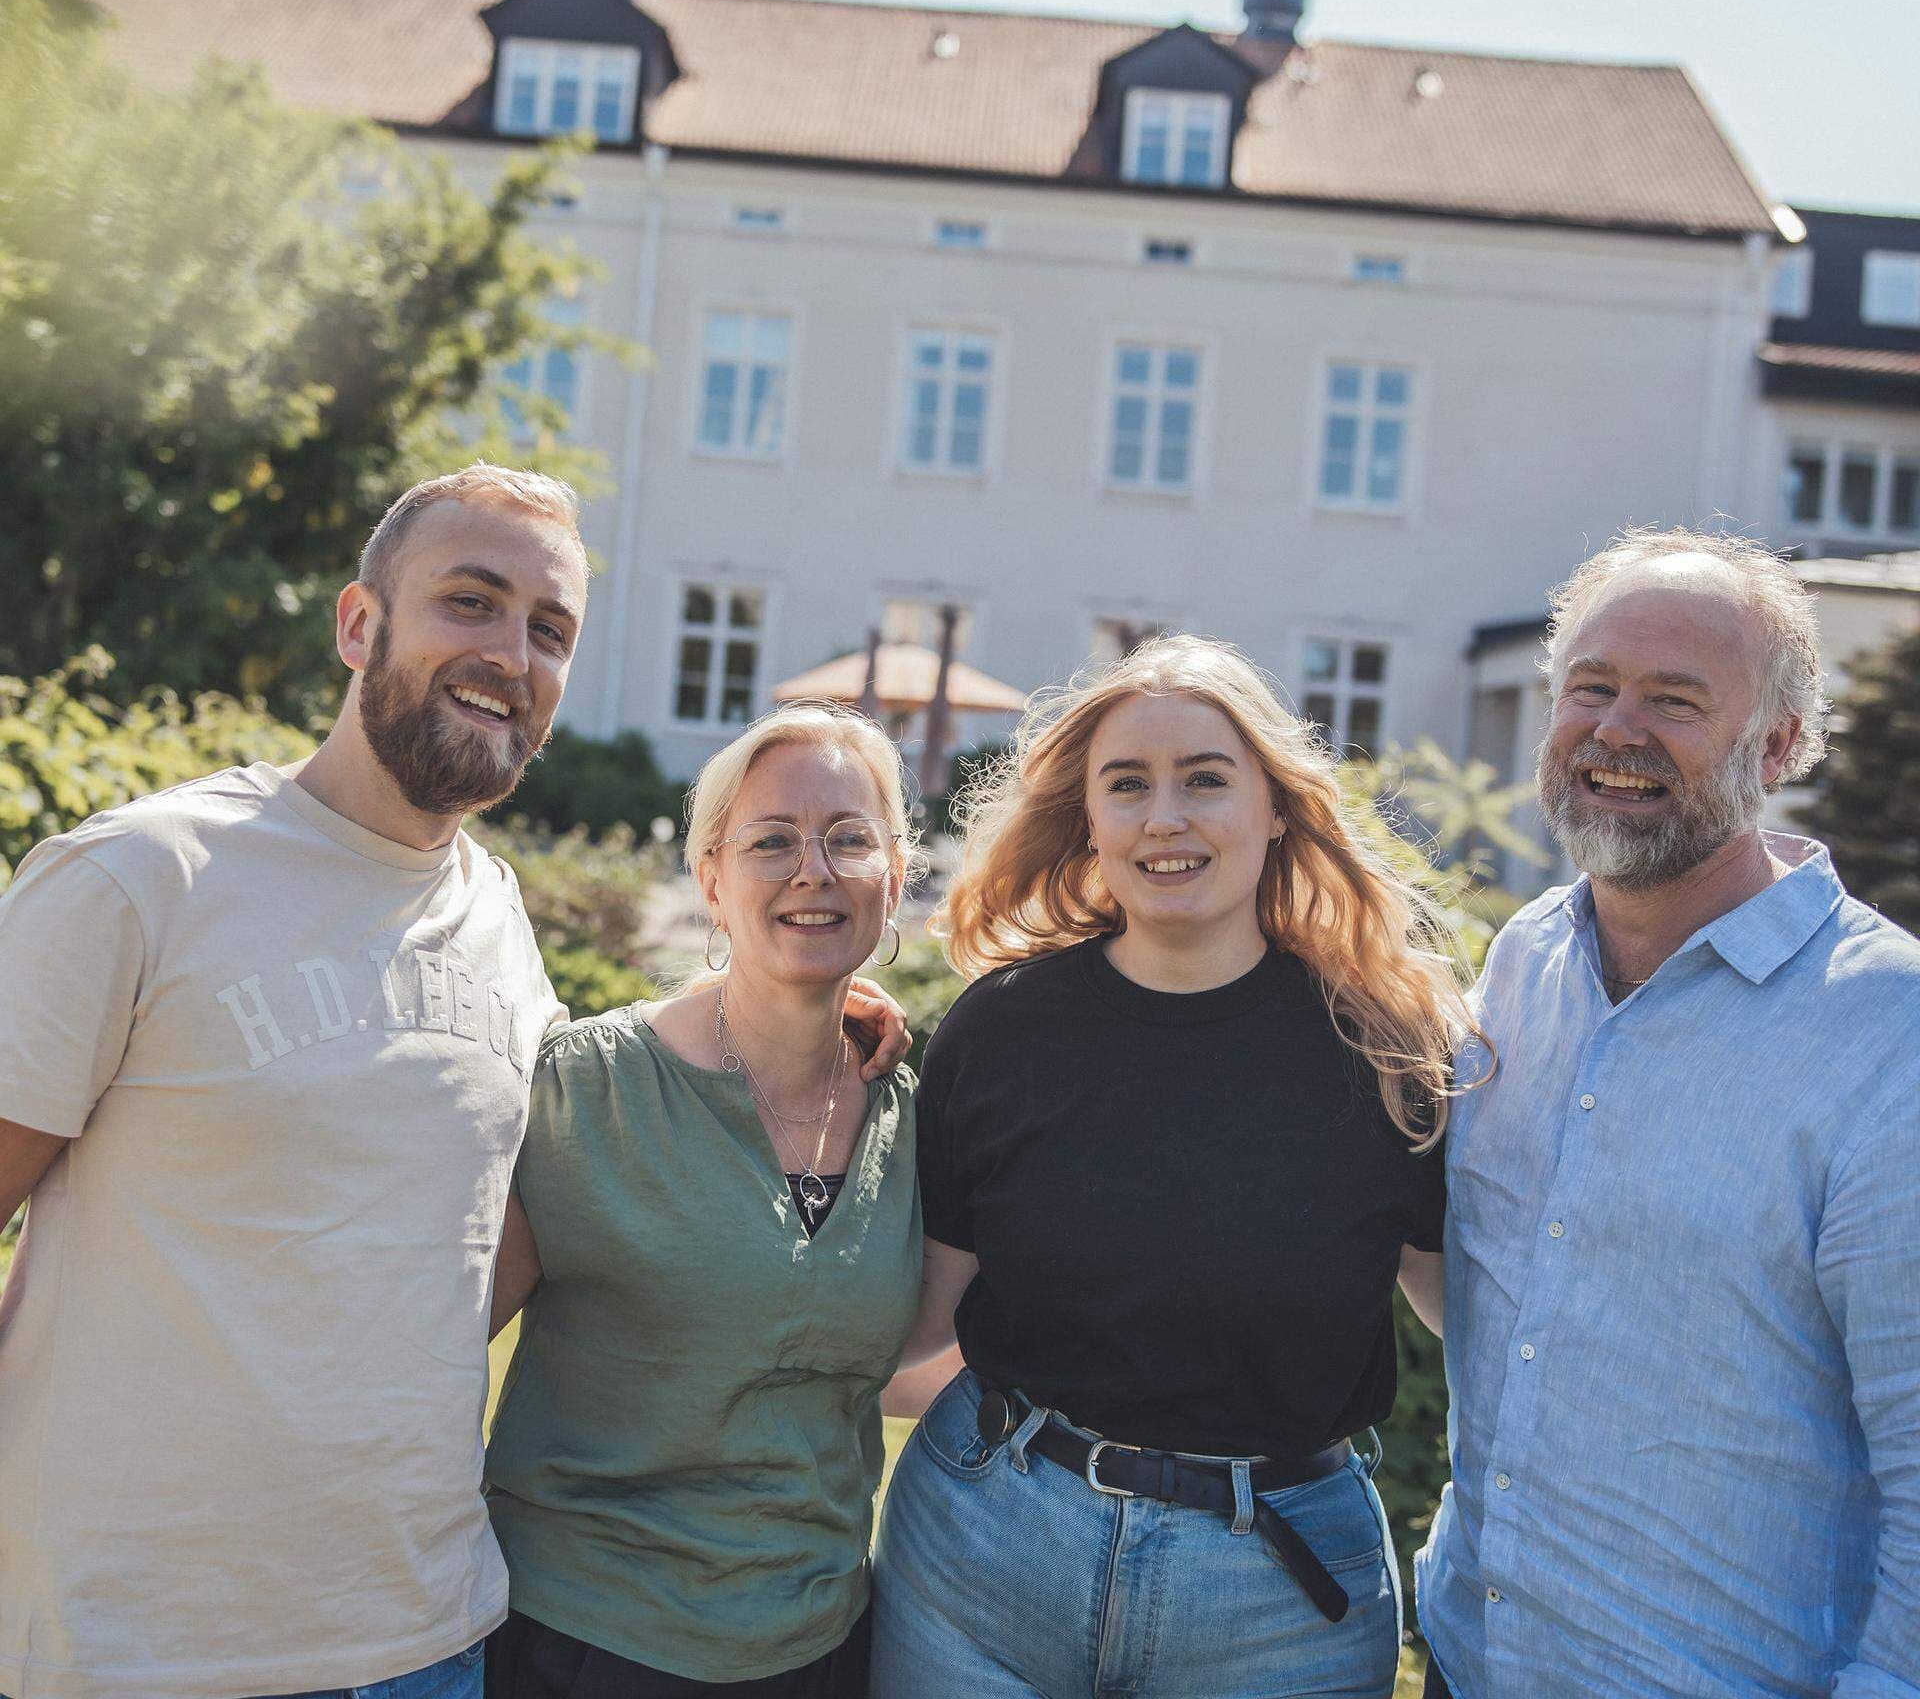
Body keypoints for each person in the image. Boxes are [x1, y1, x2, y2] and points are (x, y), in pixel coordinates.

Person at [0, 463, 909, 1699]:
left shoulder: (496, 913)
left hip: (428, 1635)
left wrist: (806, 998)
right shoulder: (139, 879)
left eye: (550, 630)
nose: (510, 654)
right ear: (359, 623)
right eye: (470, 602)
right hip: (134, 1645)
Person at [871, 633, 1472, 1699]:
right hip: (986, 1552)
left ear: (1276, 806)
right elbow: (911, 1318)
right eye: (1128, 785)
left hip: (1277, 1602)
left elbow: (1480, 1322)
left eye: (1205, 780)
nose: (1166, 818)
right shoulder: (1003, 1031)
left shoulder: (1386, 1049)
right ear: (1090, 819)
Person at [1415, 527, 1920, 1699]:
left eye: (1675, 701)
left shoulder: (1887, 1033)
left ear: (1781, 746)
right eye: (1589, 688)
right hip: (1467, 1660)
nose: (1616, 729)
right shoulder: (1528, 960)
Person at [484, 701, 924, 1699]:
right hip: (591, 1642)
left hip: (820, 1645)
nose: (813, 868)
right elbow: (433, 1344)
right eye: (771, 841)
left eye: (849, 839)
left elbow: (906, 1363)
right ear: (711, 881)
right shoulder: (588, 1090)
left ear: (894, 877)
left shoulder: (906, 1109)